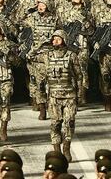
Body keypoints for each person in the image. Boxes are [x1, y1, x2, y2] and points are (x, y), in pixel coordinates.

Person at [32, 29, 80, 162]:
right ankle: (57, 151)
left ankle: (66, 148)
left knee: (69, 122)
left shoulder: (72, 55)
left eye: (58, 39)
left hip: (69, 95)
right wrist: (40, 44)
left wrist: (80, 94)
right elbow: (30, 56)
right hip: (53, 96)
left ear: (64, 40)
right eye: (53, 39)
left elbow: (79, 75)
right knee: (55, 123)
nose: (55, 41)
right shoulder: (47, 56)